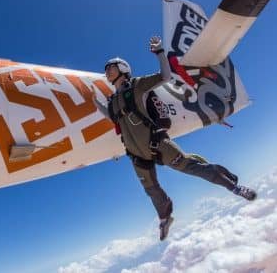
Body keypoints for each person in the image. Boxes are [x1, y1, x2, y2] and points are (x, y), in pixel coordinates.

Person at [91, 36, 257, 241]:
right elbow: (111, 116)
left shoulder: (137, 85)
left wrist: (160, 52)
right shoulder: (112, 101)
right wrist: (95, 102)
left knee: (191, 167)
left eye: (111, 67)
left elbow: (165, 76)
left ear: (123, 68)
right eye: (106, 68)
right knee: (151, 189)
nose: (107, 71)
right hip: (136, 155)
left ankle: (234, 187)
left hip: (157, 143)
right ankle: (165, 218)